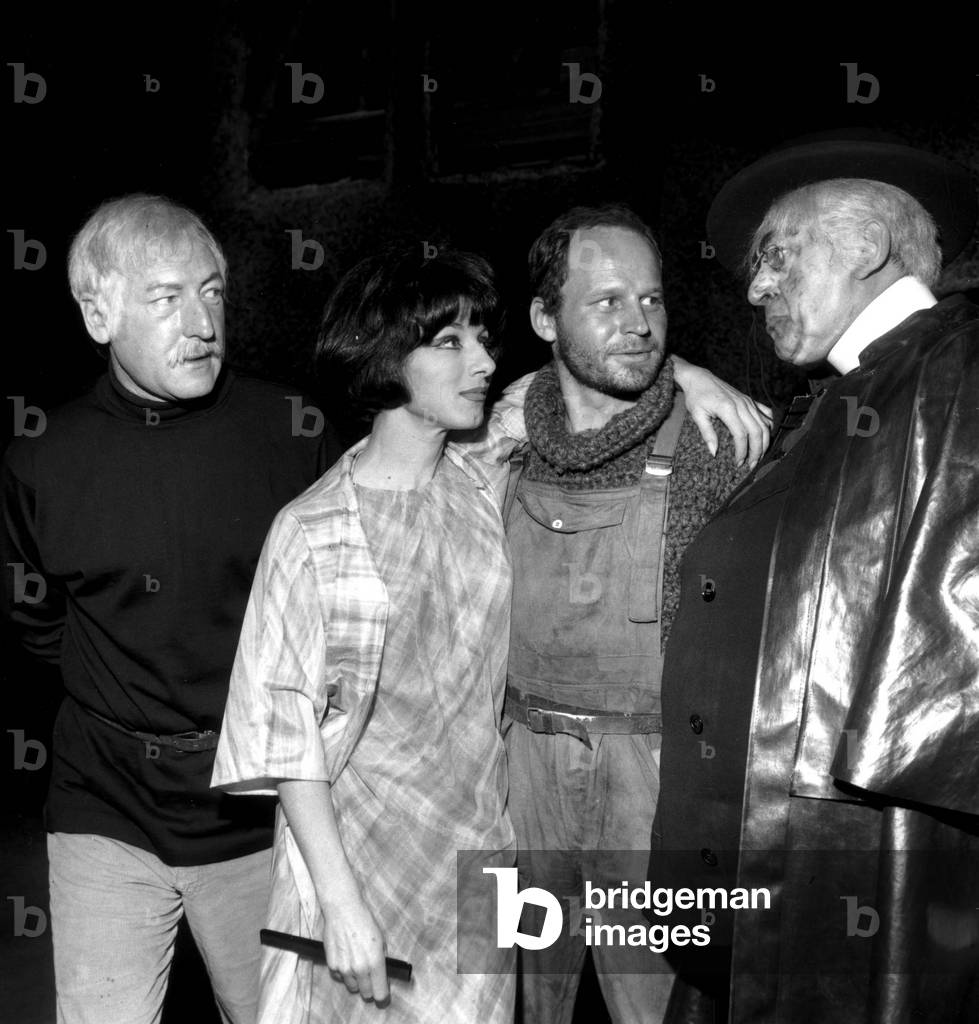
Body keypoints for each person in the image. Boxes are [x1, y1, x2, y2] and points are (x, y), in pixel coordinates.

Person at [652, 134, 979, 1023]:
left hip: (860, 886)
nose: (755, 288)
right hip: (773, 892)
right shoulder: (848, 398)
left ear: (865, 245)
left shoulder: (957, 368)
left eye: (777, 256)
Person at [1, 194, 340, 1024]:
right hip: (104, 805)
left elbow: (346, 615)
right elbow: (37, 620)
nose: (201, 323)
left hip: (259, 809)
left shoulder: (291, 432)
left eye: (212, 292)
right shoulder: (42, 459)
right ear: (98, 314)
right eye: (165, 298)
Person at [211, 245, 527, 1024]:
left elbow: (579, 382)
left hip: (478, 851)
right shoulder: (311, 532)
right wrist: (339, 905)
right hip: (360, 855)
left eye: (482, 336)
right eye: (448, 341)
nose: (484, 360)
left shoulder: (481, 477)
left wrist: (689, 374)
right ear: (387, 358)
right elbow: (284, 736)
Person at [499, 203, 769, 1024]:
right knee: (515, 1000)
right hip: (517, 780)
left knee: (659, 1007)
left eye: (651, 300)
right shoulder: (497, 441)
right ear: (544, 318)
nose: (639, 324)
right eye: (607, 301)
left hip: (653, 785)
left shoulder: (715, 446)